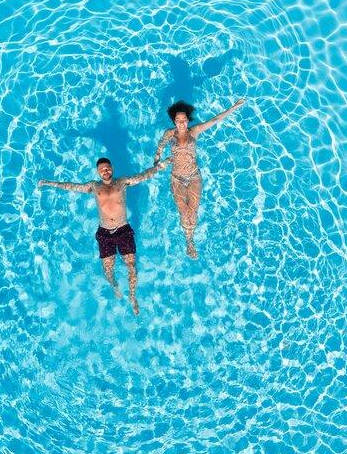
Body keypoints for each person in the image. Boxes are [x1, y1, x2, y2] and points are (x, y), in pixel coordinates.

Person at [38, 157, 170, 315]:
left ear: (112, 168)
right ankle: (114, 285)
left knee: (131, 267)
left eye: (107, 168)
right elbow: (70, 186)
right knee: (108, 271)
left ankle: (132, 296)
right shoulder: (94, 186)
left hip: (123, 230)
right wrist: (49, 183)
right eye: (101, 170)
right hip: (104, 233)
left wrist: (158, 167)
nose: (105, 171)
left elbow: (142, 176)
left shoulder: (122, 182)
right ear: (97, 172)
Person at [154, 98, 245, 258]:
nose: (181, 123)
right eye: (178, 120)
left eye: (184, 120)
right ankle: (189, 240)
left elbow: (215, 120)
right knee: (184, 212)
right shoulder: (169, 133)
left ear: (188, 120)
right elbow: (161, 145)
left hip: (194, 177)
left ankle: (191, 239)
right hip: (177, 178)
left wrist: (234, 107)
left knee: (193, 211)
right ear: (174, 121)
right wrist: (157, 159)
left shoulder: (194, 131)